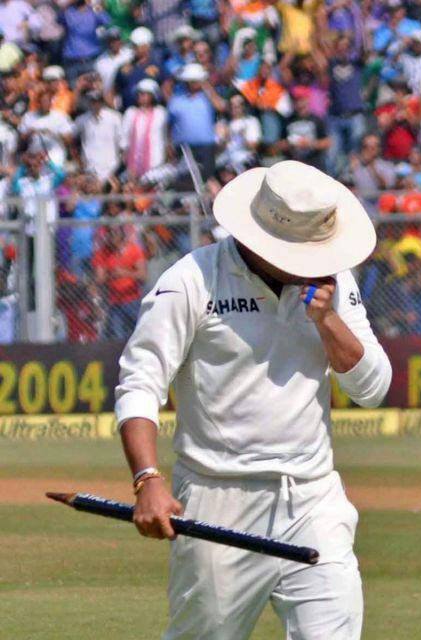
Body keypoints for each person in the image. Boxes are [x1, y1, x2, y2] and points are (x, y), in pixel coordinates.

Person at [115, 159, 391, 639]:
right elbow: (140, 382)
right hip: (218, 497)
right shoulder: (191, 279)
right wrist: (147, 479)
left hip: (311, 496)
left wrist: (327, 322)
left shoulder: (334, 283)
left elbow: (372, 388)